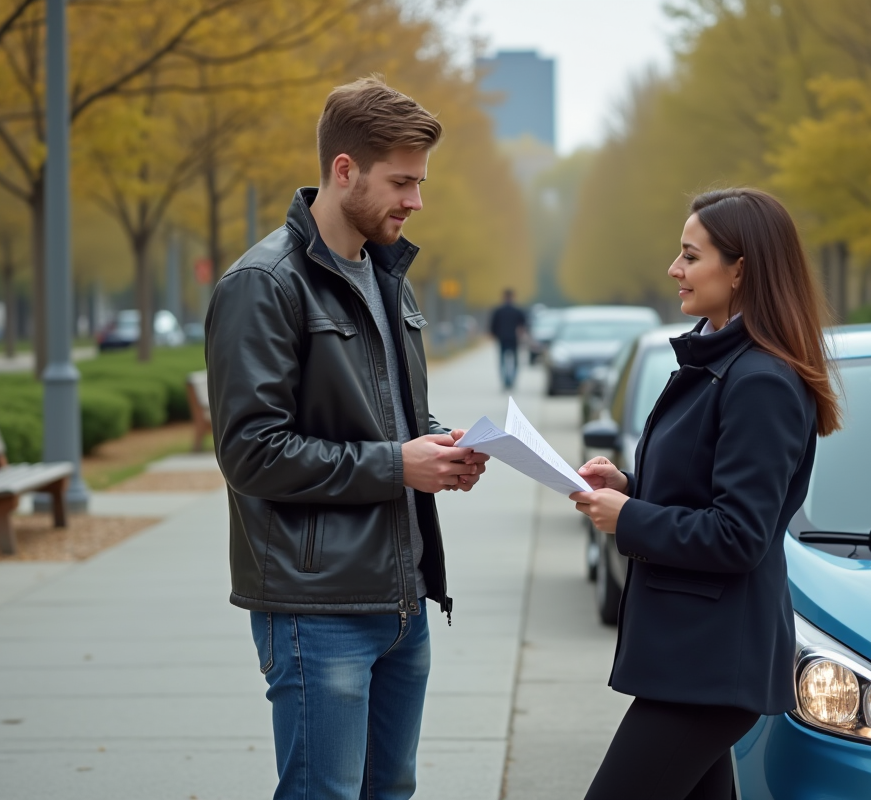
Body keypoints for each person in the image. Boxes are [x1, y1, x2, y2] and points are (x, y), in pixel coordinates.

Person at [204, 76, 490, 800]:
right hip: (317, 608)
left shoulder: (390, 277)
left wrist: (438, 447)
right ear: (344, 170)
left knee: (390, 791)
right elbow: (251, 454)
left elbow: (385, 419)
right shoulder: (263, 284)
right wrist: (398, 465)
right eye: (401, 182)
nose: (416, 201)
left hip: (403, 602)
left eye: (420, 182)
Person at [569, 188, 842, 800]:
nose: (674, 269)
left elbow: (740, 535)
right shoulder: (719, 362)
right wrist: (628, 488)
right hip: (692, 659)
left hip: (712, 665)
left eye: (691, 256)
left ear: (740, 270)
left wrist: (629, 518)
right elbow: (705, 492)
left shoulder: (760, 380)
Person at [489, 288, 527, 389]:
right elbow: (523, 326)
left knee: (502, 361)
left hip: (502, 338)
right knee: (515, 361)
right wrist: (522, 336)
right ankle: (512, 380)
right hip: (514, 338)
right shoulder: (517, 310)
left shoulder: (499, 311)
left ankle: (505, 380)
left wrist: (494, 335)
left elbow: (493, 326)